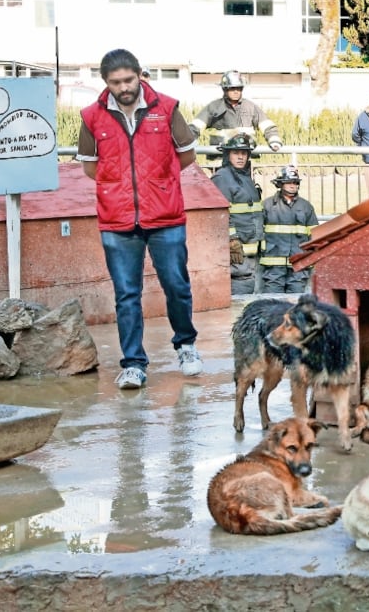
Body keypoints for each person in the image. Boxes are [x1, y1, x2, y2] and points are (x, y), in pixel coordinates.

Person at [77, 48, 204, 390]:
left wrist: (158, 185)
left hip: (166, 216)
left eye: (129, 79)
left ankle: (186, 346)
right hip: (117, 221)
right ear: (106, 83)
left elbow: (186, 155)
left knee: (176, 285)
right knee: (126, 294)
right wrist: (120, 187)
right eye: (115, 82)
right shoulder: (91, 116)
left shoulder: (167, 108)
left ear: (139, 76)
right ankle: (133, 363)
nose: (124, 87)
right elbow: (91, 167)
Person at [211, 133, 264, 295]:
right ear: (227, 155)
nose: (240, 157)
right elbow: (220, 214)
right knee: (241, 285)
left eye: (244, 153)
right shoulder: (222, 178)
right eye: (236, 153)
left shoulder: (245, 177)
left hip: (250, 250)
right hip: (236, 250)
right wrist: (232, 240)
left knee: (249, 283)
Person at [190, 70, 283, 151]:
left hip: (245, 156)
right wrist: (186, 143)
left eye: (239, 88)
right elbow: (195, 127)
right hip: (220, 157)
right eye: (232, 88)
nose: (236, 91)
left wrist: (274, 141)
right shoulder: (214, 107)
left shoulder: (250, 107)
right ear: (225, 89)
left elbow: (267, 125)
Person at [261, 166, 318, 293]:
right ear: (280, 184)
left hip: (298, 263)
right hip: (273, 265)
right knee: (273, 300)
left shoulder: (306, 206)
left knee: (296, 299)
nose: (293, 186)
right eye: (289, 182)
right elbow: (258, 231)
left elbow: (315, 235)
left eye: (295, 182)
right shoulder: (267, 205)